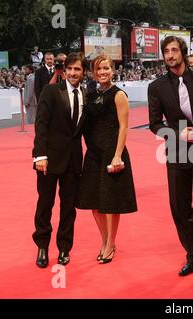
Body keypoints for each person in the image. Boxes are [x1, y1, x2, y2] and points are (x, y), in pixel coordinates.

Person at [148, 36, 193, 276]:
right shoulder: (156, 87)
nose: (170, 55)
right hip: (177, 153)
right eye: (166, 51)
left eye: (174, 50)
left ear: (183, 52)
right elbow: (155, 124)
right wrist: (179, 133)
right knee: (180, 207)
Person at [77, 55, 137, 264]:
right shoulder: (90, 95)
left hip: (112, 153)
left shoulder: (118, 94)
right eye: (99, 69)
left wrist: (118, 154)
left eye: (106, 69)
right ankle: (104, 239)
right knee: (94, 202)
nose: (103, 72)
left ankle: (111, 243)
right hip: (93, 154)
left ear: (113, 71)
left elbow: (124, 126)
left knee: (110, 203)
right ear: (94, 72)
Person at [32, 52, 88, 268]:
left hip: (73, 161)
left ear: (83, 72)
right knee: (45, 205)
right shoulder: (51, 91)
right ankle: (42, 246)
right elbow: (41, 124)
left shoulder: (86, 94)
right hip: (49, 159)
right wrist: (40, 155)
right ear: (64, 71)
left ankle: (64, 248)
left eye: (78, 69)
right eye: (70, 69)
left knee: (68, 208)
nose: (73, 73)